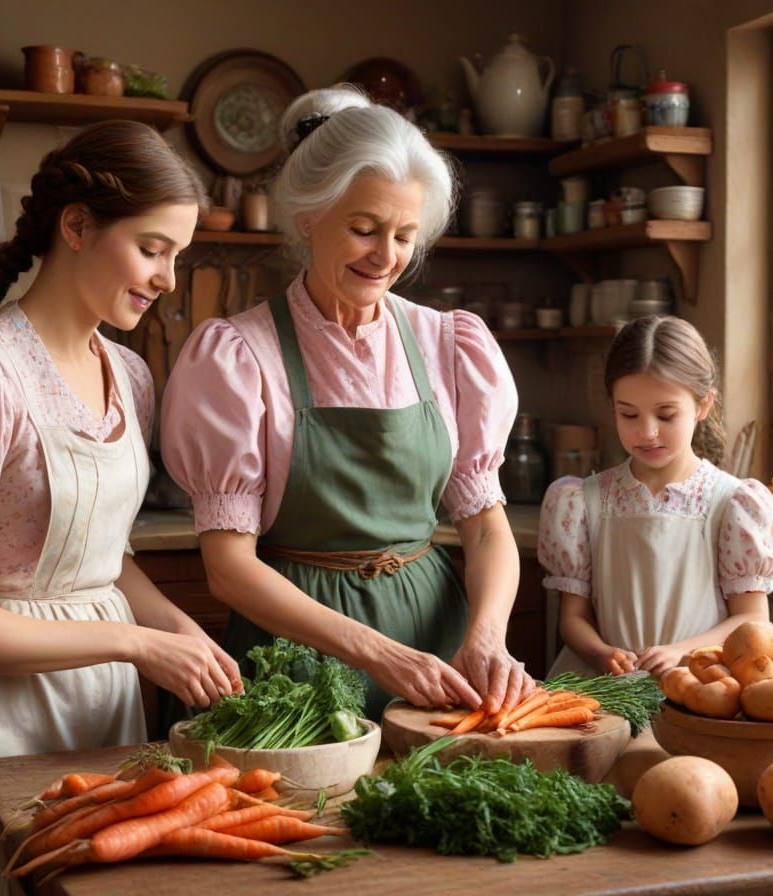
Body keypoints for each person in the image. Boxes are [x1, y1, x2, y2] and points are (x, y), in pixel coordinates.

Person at [0, 120, 242, 896]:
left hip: (101, 709)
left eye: (177, 258)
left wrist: (177, 631)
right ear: (78, 226)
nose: (166, 278)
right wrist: (137, 646)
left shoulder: (129, 374)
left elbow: (101, 557)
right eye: (153, 248)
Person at [160, 85, 534, 721]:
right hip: (299, 666)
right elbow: (227, 569)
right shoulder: (239, 357)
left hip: (439, 650)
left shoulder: (449, 344)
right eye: (364, 229)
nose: (386, 256)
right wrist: (377, 654)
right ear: (309, 216)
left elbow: (486, 524)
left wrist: (488, 635)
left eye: (404, 235)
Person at [537, 314, 773, 680]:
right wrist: (601, 653)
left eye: (666, 415)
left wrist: (681, 653)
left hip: (700, 687)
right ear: (612, 405)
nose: (647, 431)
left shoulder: (731, 504)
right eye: (629, 414)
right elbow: (573, 618)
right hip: (605, 688)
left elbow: (751, 618)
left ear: (703, 406)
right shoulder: (582, 501)